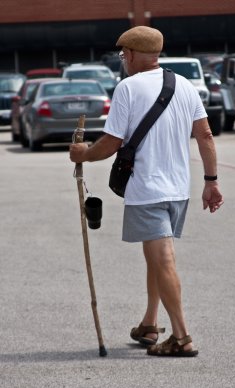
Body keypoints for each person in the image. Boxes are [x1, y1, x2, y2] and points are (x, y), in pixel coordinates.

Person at [69, 26, 224, 357]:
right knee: (156, 255)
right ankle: (150, 323)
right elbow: (206, 136)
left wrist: (83, 154)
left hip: (147, 189)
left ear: (137, 53)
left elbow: (111, 142)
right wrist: (211, 180)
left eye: (124, 54)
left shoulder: (128, 88)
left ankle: (182, 337)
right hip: (178, 190)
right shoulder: (183, 85)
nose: (123, 60)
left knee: (163, 258)